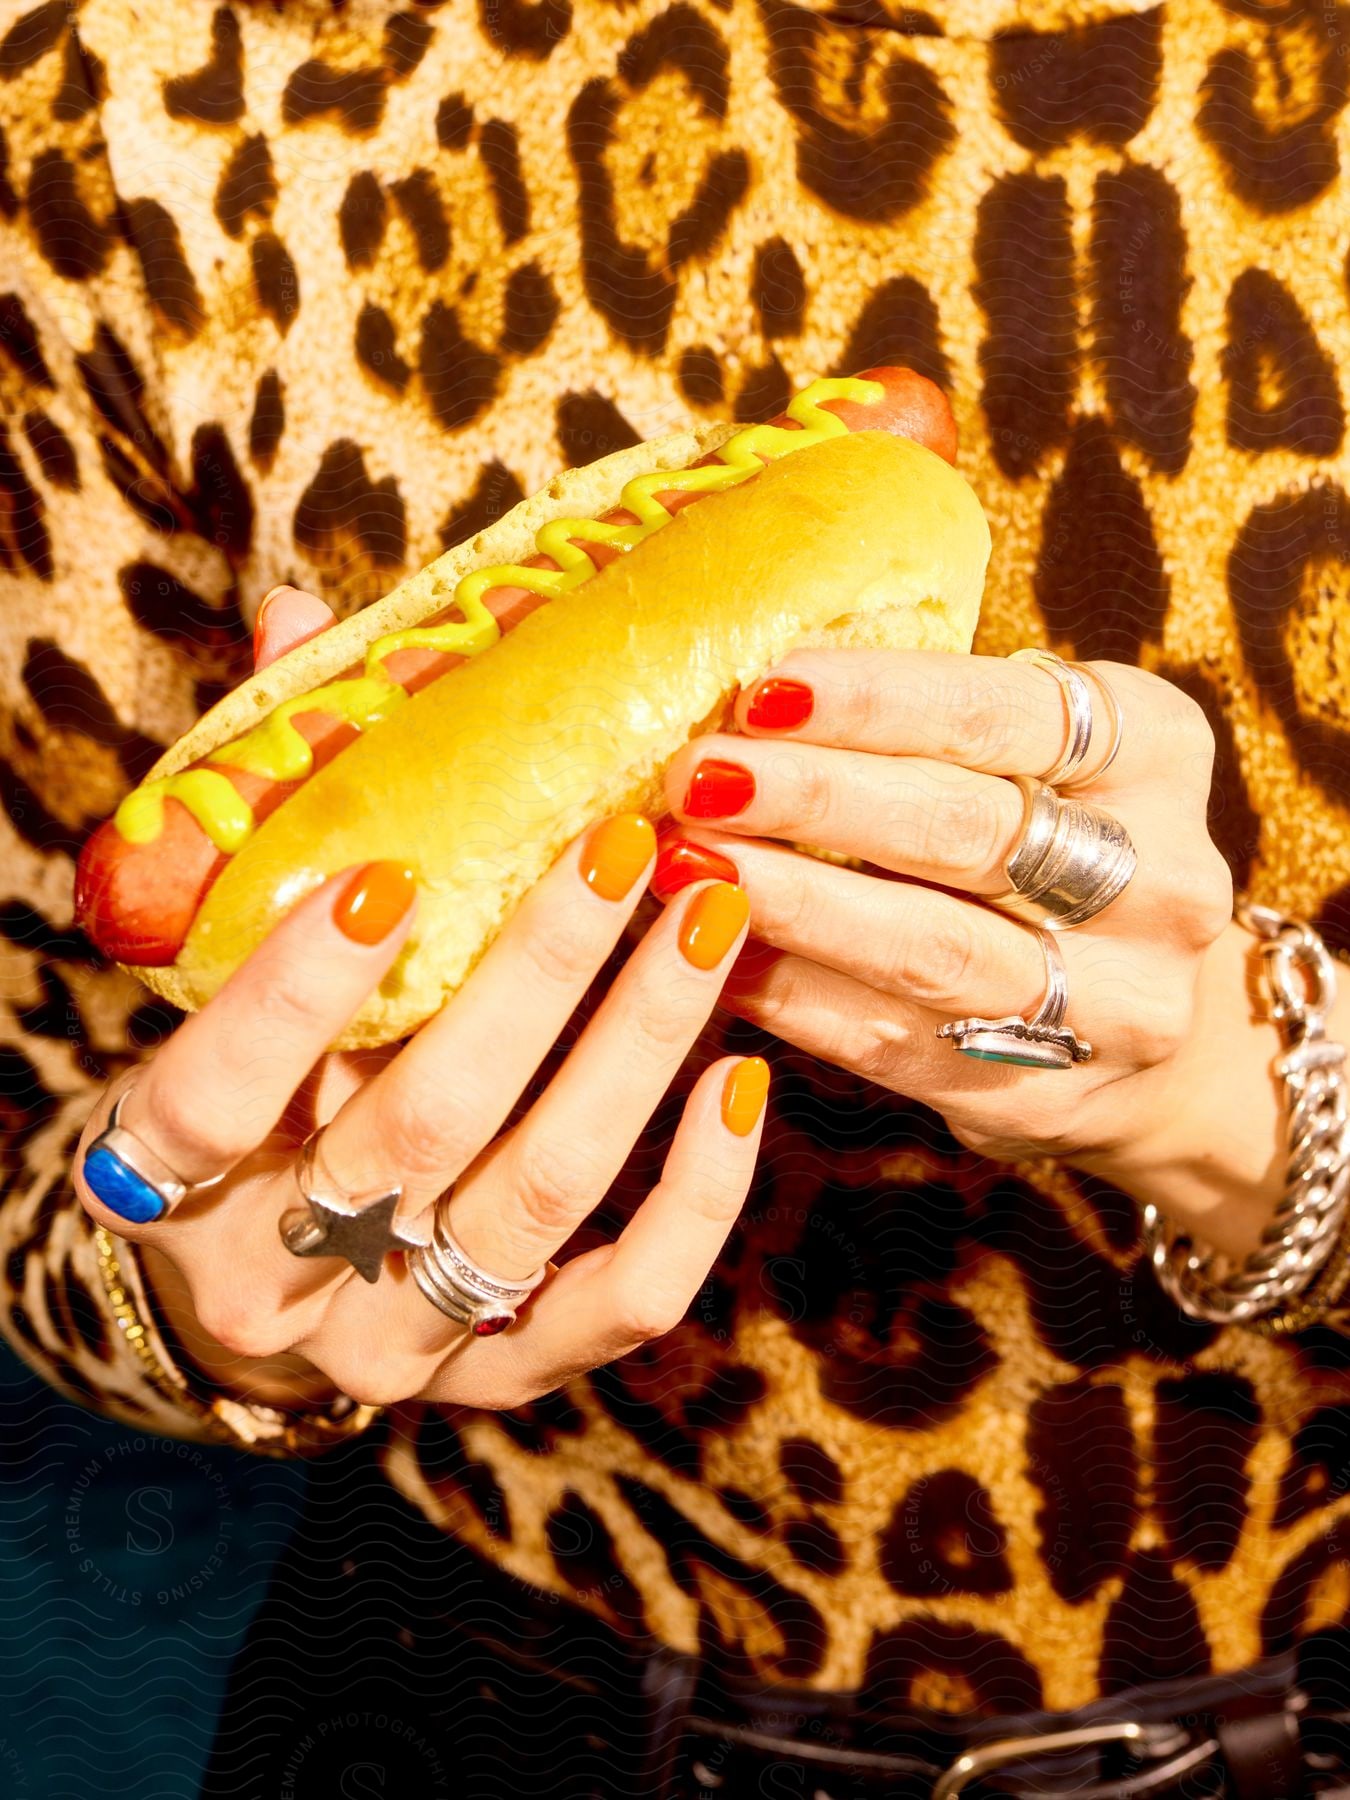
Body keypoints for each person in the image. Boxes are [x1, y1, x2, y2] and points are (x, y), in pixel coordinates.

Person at [4, 0, 1350, 1792]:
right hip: (486, 1709)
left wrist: (1240, 1111)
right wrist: (202, 1299)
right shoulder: (149, 93)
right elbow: (34, 1151)